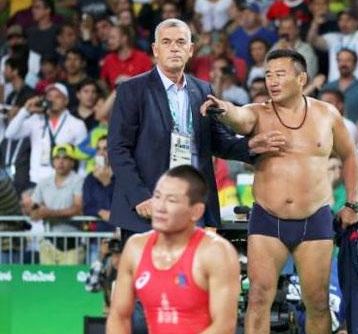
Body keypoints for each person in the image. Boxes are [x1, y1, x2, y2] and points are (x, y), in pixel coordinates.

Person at [200, 49, 358, 334]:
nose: (272, 80)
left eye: (280, 74)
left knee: (316, 300)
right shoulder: (258, 113)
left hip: (314, 218)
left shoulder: (327, 115)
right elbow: (238, 117)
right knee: (258, 295)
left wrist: (353, 204)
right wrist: (221, 108)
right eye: (268, 74)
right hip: (267, 218)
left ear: (301, 79)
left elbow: (350, 157)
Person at [73, 165, 240, 334]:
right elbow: (119, 314)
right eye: (158, 196)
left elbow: (224, 327)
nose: (159, 207)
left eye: (171, 200)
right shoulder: (137, 247)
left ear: (196, 212)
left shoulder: (215, 252)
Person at [107, 18, 254, 240]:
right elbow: (118, 149)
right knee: (150, 274)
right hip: (149, 206)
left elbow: (220, 142)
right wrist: (139, 197)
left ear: (191, 50)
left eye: (181, 42)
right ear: (156, 49)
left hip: (192, 205)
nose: (174, 47)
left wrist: (253, 146)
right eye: (166, 42)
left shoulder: (202, 89)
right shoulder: (132, 89)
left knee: (190, 275)